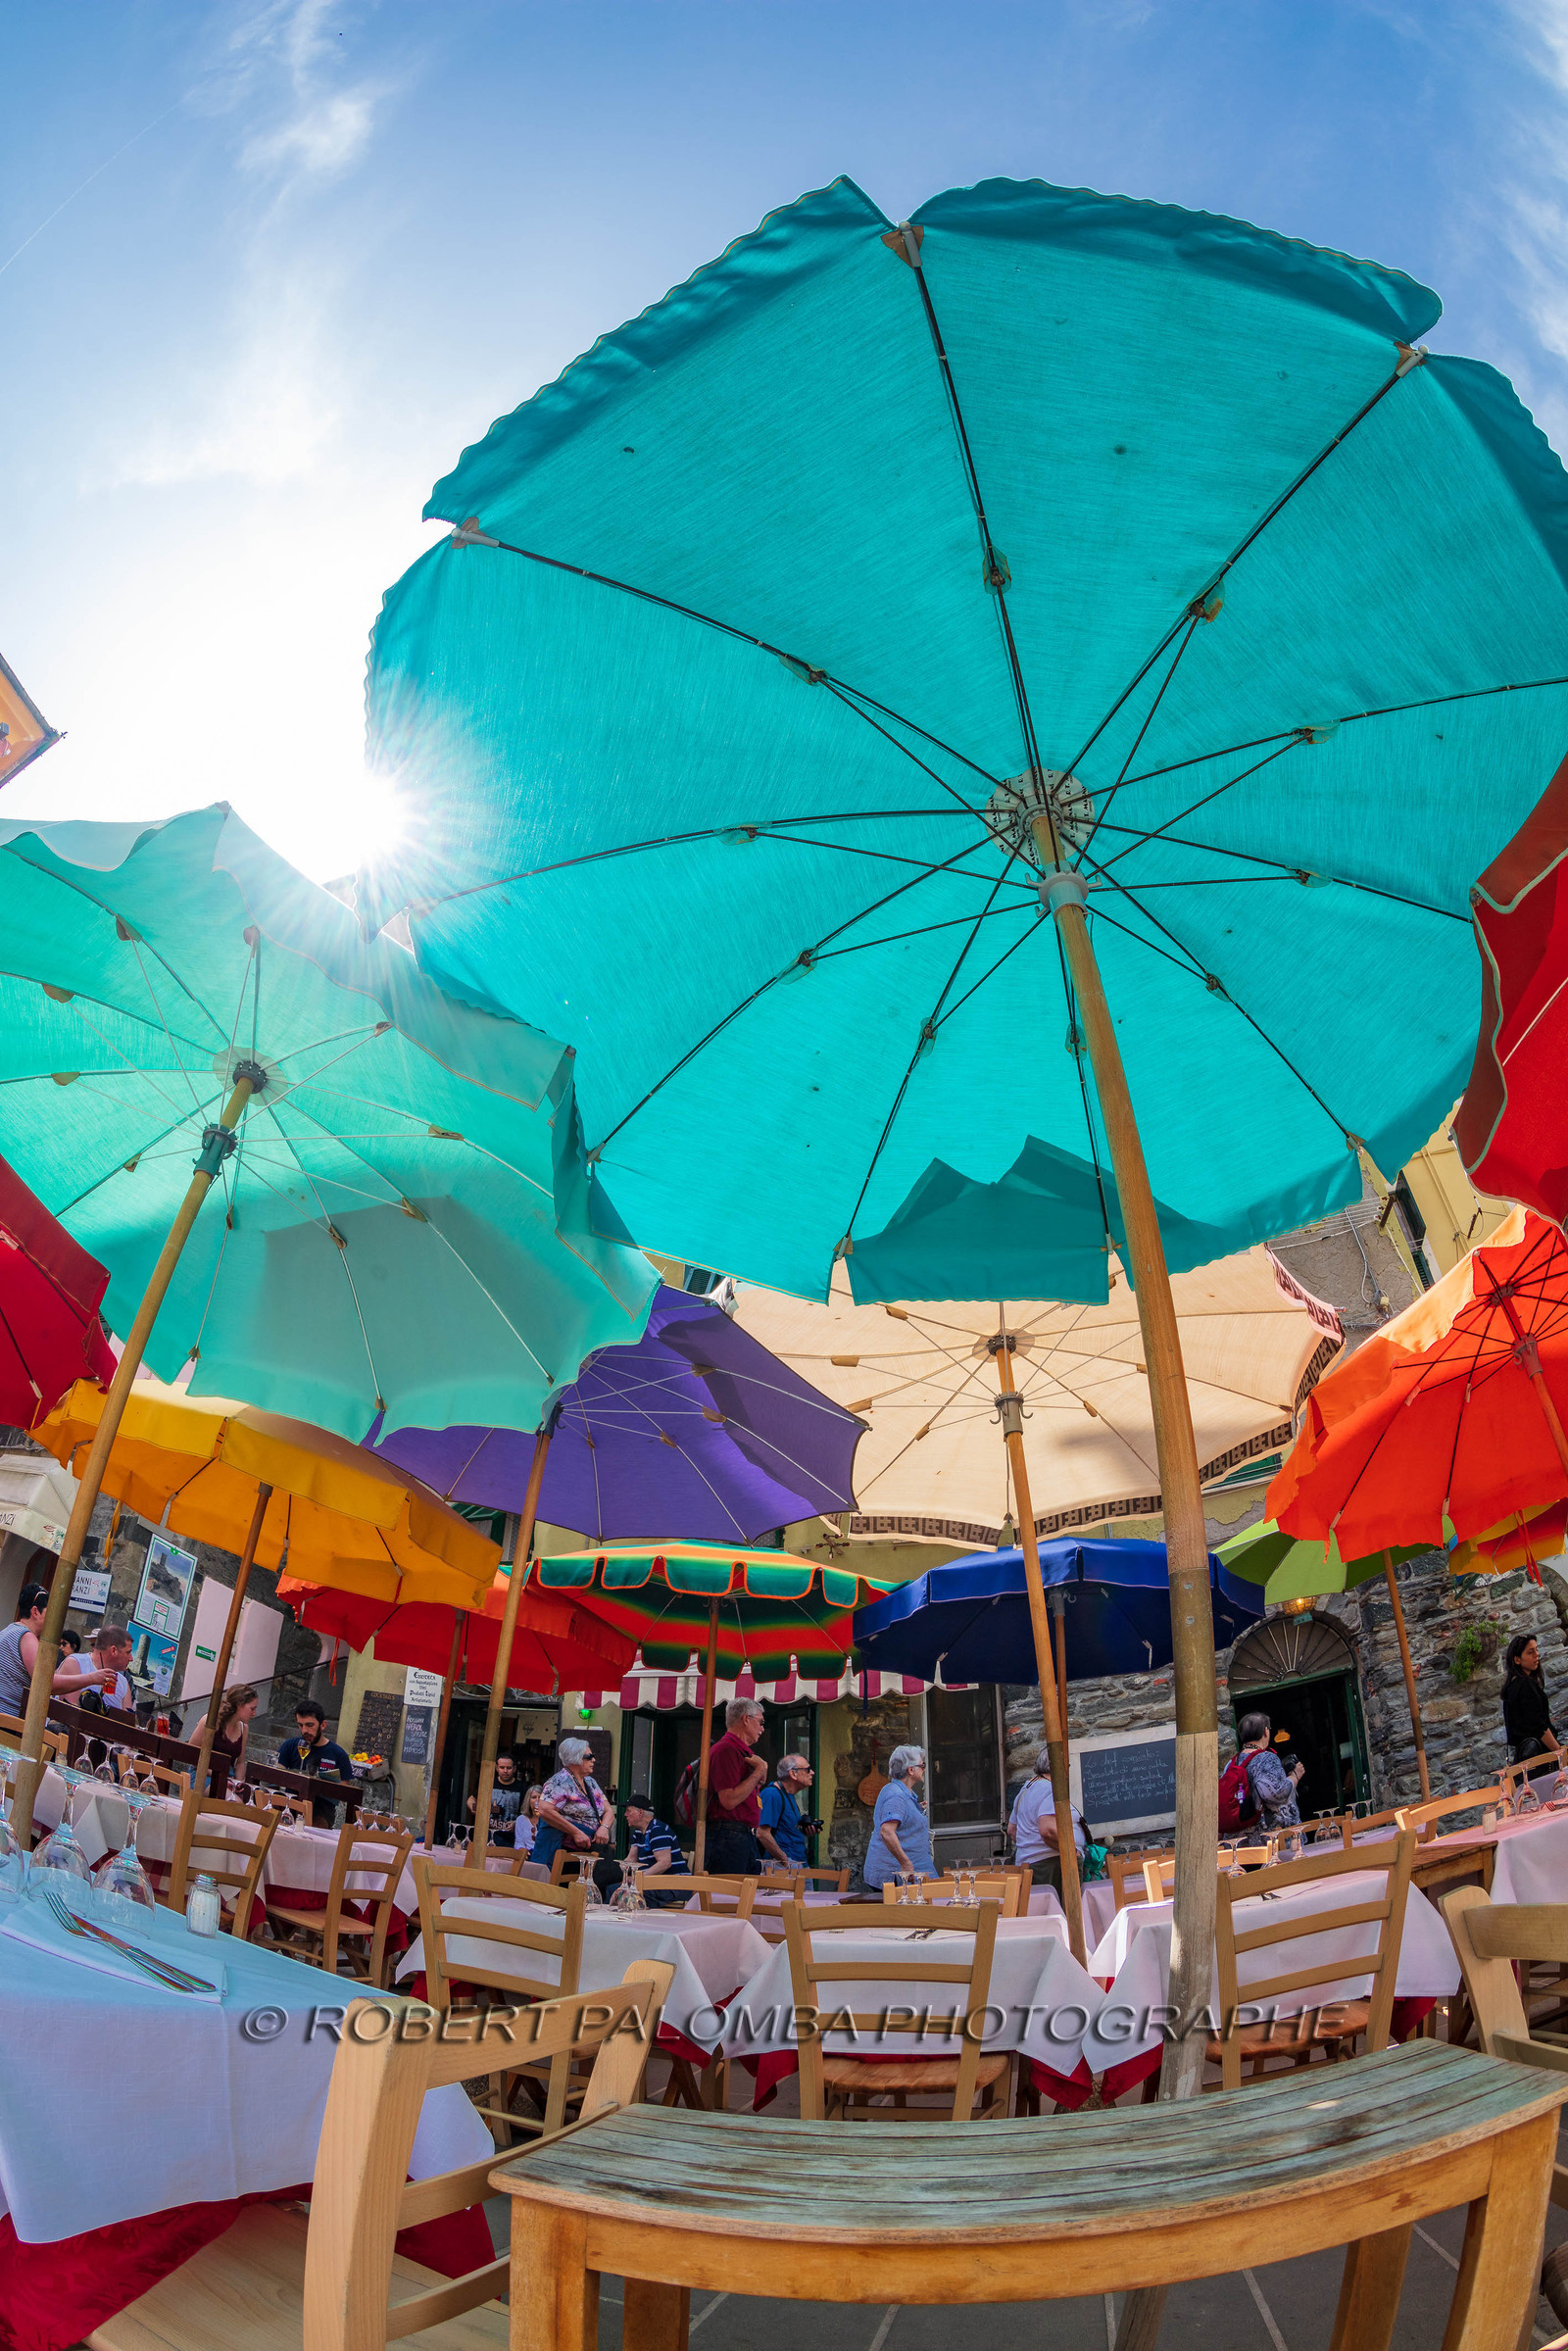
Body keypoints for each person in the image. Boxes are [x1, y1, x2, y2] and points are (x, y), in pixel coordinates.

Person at [0, 1585, 118, 1717]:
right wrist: (92, 1678)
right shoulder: (27, 1637)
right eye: (50, 1612)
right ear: (35, 1612)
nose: (53, 1619)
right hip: (7, 1721)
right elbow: (47, 1683)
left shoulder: (9, 1630)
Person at [704, 1697, 767, 1875]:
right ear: (746, 1719)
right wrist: (758, 1771)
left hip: (740, 1836)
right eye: (761, 1722)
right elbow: (729, 1800)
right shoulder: (726, 1750)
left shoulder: (740, 1751)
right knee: (731, 1898)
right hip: (729, 1836)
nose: (762, 1728)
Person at [533, 1737, 614, 1874]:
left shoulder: (590, 1782)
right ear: (575, 1758)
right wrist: (575, 1832)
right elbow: (545, 1809)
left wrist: (604, 1828)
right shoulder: (559, 1782)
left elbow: (608, 1811)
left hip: (590, 1850)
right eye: (589, 1756)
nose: (593, 1760)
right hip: (566, 1851)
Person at [1007, 1749, 1086, 1891]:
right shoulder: (1049, 1789)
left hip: (1031, 1866)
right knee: (1061, 1911)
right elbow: (1048, 1831)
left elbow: (1012, 1831)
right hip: (1051, 1866)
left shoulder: (1027, 1788)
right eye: (1066, 1765)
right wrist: (1072, 1852)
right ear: (1058, 1766)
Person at [863, 1743, 934, 1891]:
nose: (924, 1769)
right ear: (911, 1770)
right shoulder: (896, 1795)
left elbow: (901, 1821)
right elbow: (887, 1831)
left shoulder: (898, 1792)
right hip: (897, 1876)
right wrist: (906, 1863)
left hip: (906, 1873)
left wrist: (916, 1809)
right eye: (922, 1765)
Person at [603, 1789, 684, 1906]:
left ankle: (618, 1921)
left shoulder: (658, 1830)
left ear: (640, 1812)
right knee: (612, 1888)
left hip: (672, 1886)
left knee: (623, 1894)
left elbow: (665, 1863)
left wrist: (637, 1880)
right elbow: (631, 1859)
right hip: (655, 1883)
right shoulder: (639, 1832)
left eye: (628, 1811)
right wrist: (611, 1872)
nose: (625, 1814)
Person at [1237, 1711, 1302, 1832]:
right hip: (1273, 1835)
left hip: (1244, 1836)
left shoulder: (1233, 1762)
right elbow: (1276, 1794)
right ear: (1266, 1731)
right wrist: (1294, 1777)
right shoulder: (1266, 1758)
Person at [1502, 1633, 1562, 1766]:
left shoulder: (1512, 1686)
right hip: (1540, 1756)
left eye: (1536, 1649)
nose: (1537, 1655)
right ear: (1517, 1659)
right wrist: (1559, 1753)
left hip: (1526, 1758)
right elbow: (1538, 1726)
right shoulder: (1524, 1685)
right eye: (1530, 1652)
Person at [61, 1624, 134, 1715]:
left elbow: (126, 1724)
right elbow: (69, 1716)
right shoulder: (75, 1663)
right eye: (128, 1653)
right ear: (113, 1650)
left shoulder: (123, 1682)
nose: (131, 1659)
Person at [758, 1752, 814, 1869]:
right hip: (781, 1866)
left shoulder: (789, 1795)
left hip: (798, 1862)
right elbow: (762, 1833)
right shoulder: (772, 1794)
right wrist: (785, 1861)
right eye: (807, 1769)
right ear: (793, 1773)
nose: (812, 1772)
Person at [277, 1701, 356, 1786]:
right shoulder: (290, 1746)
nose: (304, 1730)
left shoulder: (339, 1755)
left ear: (323, 1725)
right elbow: (275, 1778)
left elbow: (344, 1793)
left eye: (310, 1725)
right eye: (300, 1725)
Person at [466, 1752, 524, 1847]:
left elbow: (528, 1813)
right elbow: (471, 1799)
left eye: (508, 1768)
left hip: (511, 1838)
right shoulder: (489, 1783)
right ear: (496, 1768)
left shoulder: (522, 1787)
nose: (505, 1771)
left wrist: (516, 1823)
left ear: (514, 1769)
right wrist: (474, 1808)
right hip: (486, 1835)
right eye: (502, 1767)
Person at [213, 1686, 259, 1781]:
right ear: (239, 1705)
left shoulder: (244, 1728)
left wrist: (238, 1782)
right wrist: (221, 1777)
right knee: (230, 1795)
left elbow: (240, 1763)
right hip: (205, 1775)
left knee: (251, 1795)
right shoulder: (212, 1722)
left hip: (228, 1777)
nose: (254, 1714)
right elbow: (192, 1753)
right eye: (252, 1709)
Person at [514, 1782, 542, 1859]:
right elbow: (518, 1842)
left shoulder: (548, 1820)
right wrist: (523, 1851)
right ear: (528, 1800)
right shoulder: (521, 1819)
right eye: (534, 1797)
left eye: (540, 1797)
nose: (537, 1800)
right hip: (526, 1856)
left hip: (542, 1856)